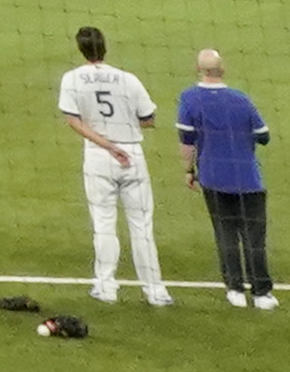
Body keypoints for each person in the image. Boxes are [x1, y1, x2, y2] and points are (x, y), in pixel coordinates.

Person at [57, 26, 169, 307]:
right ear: (104, 47)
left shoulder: (72, 79)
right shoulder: (127, 79)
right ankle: (156, 291)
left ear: (80, 49)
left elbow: (73, 121)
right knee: (142, 226)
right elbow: (149, 119)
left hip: (98, 156)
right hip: (132, 155)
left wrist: (106, 144)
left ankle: (106, 287)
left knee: (103, 223)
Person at [175, 49, 276, 309]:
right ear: (223, 70)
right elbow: (263, 135)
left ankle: (235, 290)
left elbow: (187, 141)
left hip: (212, 177)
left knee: (225, 233)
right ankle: (262, 293)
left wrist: (188, 170)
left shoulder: (189, 98)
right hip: (248, 179)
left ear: (198, 70)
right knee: (254, 237)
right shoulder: (241, 99)